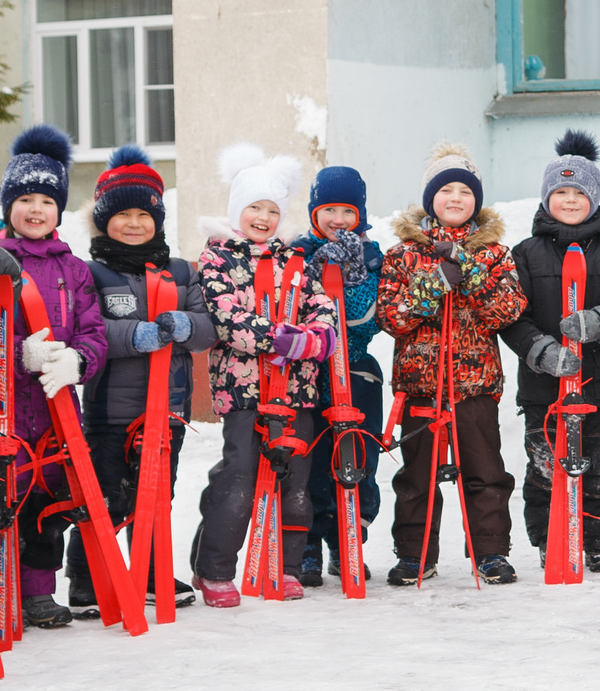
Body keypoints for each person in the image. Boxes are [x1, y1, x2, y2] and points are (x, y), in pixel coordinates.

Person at [188, 144, 335, 604]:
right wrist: (286, 339)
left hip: (296, 391)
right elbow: (229, 320)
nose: (264, 217)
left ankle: (287, 566)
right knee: (240, 477)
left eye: (272, 209)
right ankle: (214, 568)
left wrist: (313, 340)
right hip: (243, 389)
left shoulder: (297, 263)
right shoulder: (217, 259)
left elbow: (322, 314)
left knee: (295, 482)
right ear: (238, 210)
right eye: (254, 206)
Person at [379, 142, 527, 584]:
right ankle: (415, 553)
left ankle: (490, 553)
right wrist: (433, 284)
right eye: (447, 190)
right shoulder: (403, 255)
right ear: (431, 199)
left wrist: (472, 273)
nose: (456, 198)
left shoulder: (495, 254)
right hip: (420, 384)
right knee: (417, 476)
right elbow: (391, 316)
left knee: (485, 472)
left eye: (466, 190)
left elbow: (508, 310)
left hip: (475, 384)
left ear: (476, 201)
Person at [503, 132, 600, 573]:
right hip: (543, 387)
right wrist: (539, 350)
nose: (568, 200)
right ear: (547, 198)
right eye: (560, 192)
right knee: (545, 467)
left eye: (578, 193)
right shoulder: (523, 255)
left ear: (594, 199)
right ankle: (550, 539)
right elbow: (510, 315)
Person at [78, 146, 212, 608]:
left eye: (143, 214)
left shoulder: (180, 272)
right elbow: (87, 327)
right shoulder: (90, 273)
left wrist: (186, 326)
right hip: (110, 411)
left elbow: (206, 329)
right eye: (121, 214)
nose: (133, 223)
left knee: (155, 496)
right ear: (102, 219)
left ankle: (152, 572)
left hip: (166, 411)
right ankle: (88, 580)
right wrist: (134, 334)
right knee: (106, 498)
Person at [0, 125, 108, 623]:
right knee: (1, 494)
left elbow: (94, 331)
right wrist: (19, 354)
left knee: (47, 501)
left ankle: (39, 590)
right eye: (25, 200)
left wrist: (78, 359)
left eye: (46, 200)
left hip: (58, 407)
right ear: (8, 206)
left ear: (59, 210)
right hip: (2, 405)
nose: (36, 210)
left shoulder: (74, 269)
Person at [288, 163, 385, 585]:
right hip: (307, 371)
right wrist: (315, 271)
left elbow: (365, 319)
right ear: (314, 213)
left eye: (347, 211)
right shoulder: (296, 253)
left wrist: (353, 274)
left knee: (358, 455)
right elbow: (290, 307)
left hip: (356, 366)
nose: (338, 220)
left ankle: (348, 540)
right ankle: (306, 542)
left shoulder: (371, 254)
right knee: (308, 457)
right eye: (329, 210)